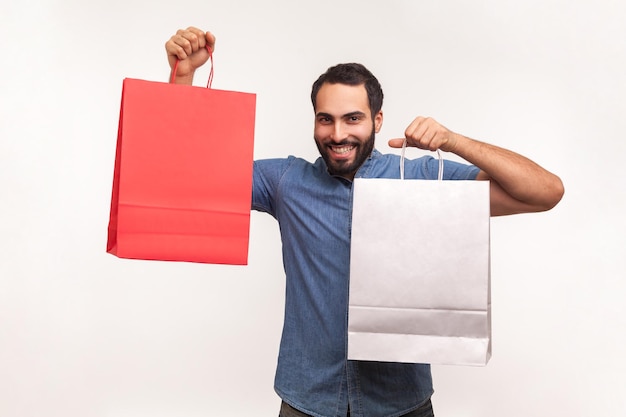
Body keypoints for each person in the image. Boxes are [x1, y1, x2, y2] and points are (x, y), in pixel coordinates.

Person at [164, 27, 564, 417]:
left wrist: (454, 141)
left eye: (353, 118)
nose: (338, 134)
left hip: (399, 402)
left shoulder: (421, 179)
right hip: (307, 399)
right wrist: (184, 78)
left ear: (378, 119)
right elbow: (187, 176)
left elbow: (545, 191)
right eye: (326, 119)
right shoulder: (285, 181)